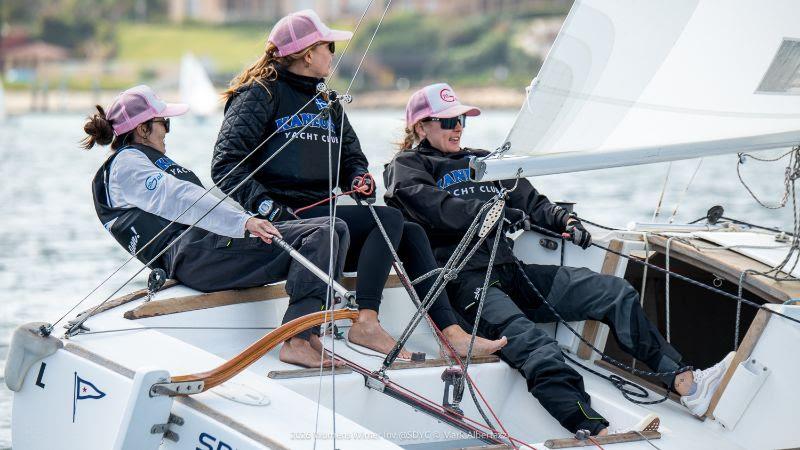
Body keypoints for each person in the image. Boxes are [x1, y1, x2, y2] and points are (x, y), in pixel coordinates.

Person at [384, 82, 736, 435]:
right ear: (420, 126)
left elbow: (530, 202)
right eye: (448, 121)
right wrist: (488, 212)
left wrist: (563, 220)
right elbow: (429, 205)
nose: (458, 127)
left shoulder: (483, 161)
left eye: (462, 119)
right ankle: (591, 428)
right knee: (537, 346)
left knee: (614, 292)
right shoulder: (408, 165)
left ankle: (686, 384)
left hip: (511, 272)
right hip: (467, 282)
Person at [212, 10, 506, 359]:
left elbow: (352, 158)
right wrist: (267, 207)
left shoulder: (329, 102)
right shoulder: (259, 94)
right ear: (309, 53)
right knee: (390, 220)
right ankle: (364, 323)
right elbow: (225, 166)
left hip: (325, 219)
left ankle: (451, 333)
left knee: (410, 232)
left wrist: (358, 178)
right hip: (281, 223)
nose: (333, 55)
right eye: (329, 46)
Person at [83, 84, 350, 368]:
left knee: (336, 228)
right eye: (165, 123)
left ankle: (310, 332)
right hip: (196, 257)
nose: (167, 131)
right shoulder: (127, 165)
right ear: (142, 129)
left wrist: (245, 221)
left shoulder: (142, 161)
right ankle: (296, 340)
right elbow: (179, 198)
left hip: (209, 249)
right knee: (320, 234)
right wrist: (244, 221)